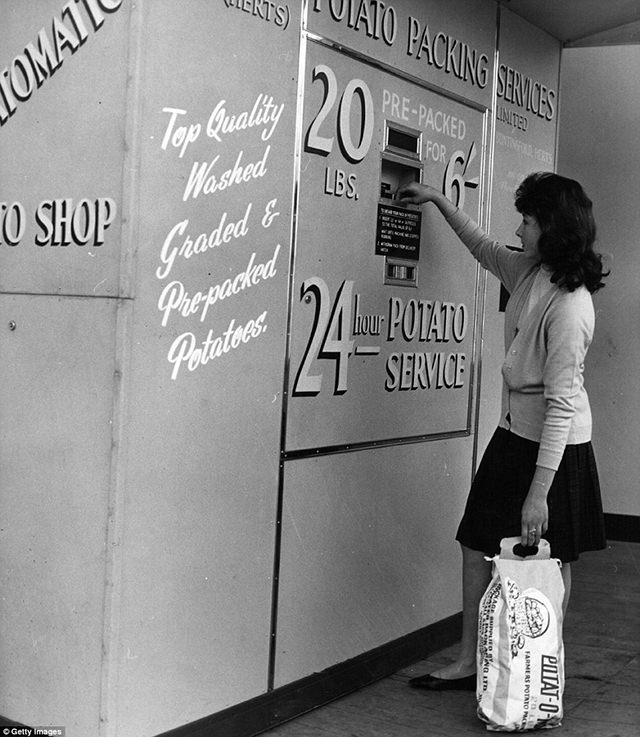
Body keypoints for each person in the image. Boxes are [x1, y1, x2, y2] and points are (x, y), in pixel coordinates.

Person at [396, 172, 608, 691]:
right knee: (476, 542)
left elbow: (560, 408)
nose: (520, 228)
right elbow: (484, 248)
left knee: (551, 559)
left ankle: (539, 675)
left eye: (528, 220)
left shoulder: (571, 306)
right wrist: (439, 201)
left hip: (555, 449)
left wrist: (539, 494)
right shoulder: (532, 273)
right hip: (515, 434)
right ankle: (469, 661)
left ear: (552, 230)